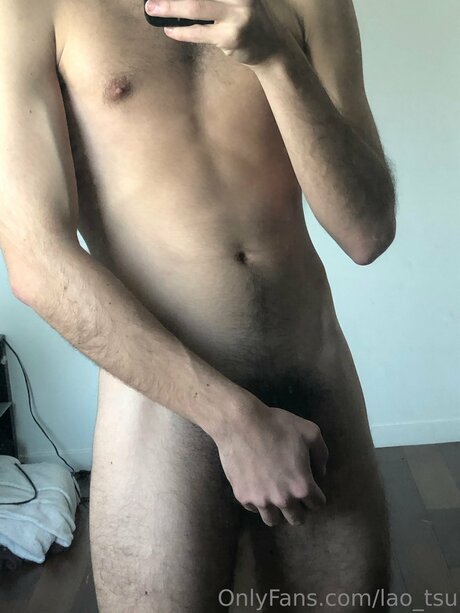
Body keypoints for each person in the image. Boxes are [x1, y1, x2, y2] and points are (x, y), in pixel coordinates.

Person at [0, 0, 396, 610]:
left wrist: (277, 57)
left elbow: (366, 232)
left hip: (312, 378)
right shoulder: (30, 10)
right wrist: (234, 421)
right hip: (162, 410)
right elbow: (36, 259)